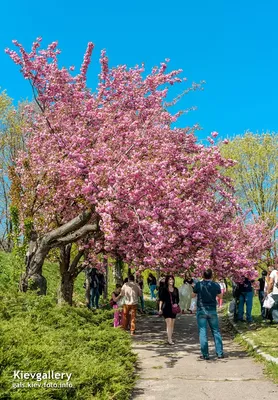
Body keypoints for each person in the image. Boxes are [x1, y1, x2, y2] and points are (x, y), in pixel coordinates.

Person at [192, 269, 224, 360]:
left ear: (203, 275)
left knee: (202, 331)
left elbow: (193, 295)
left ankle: (205, 354)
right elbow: (220, 296)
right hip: (212, 310)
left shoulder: (199, 284)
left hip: (201, 310)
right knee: (216, 331)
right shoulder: (216, 285)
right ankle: (220, 353)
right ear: (211, 275)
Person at [158, 275, 180, 345]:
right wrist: (160, 308)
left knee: (172, 324)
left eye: (172, 279)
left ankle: (170, 337)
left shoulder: (176, 289)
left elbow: (177, 299)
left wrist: (176, 303)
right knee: (169, 323)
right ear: (167, 281)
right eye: (170, 279)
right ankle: (169, 339)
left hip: (173, 308)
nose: (171, 281)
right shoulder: (164, 289)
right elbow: (161, 300)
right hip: (166, 308)